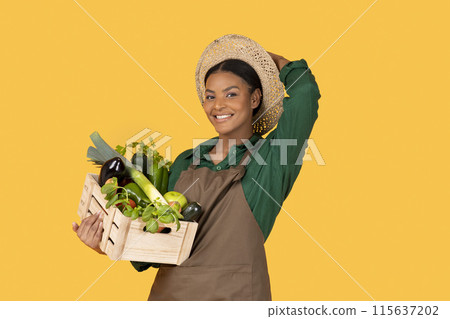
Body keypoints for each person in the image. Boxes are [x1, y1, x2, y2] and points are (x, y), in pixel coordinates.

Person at [72, 34, 321, 301]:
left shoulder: (273, 158)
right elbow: (152, 249)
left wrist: (274, 62)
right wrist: (102, 243)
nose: (218, 105)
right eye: (210, 96)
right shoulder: (185, 161)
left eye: (231, 94)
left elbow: (305, 94)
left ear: (255, 98)